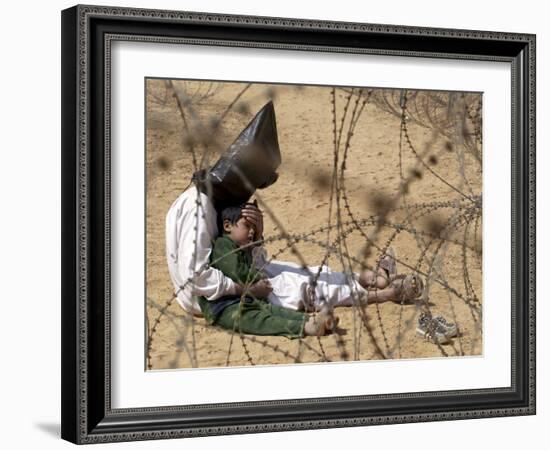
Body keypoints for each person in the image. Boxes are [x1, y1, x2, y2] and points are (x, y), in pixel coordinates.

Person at [165, 101, 422, 320]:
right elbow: (196, 276)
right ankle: (383, 294)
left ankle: (368, 278)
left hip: (230, 276)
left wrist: (257, 235)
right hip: (206, 298)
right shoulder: (197, 210)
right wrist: (246, 288)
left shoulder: (213, 200)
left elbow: (246, 260)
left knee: (291, 270)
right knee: (292, 286)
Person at [197, 205, 336, 338]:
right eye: (247, 226)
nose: (252, 231)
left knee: (272, 311)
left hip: (243, 299)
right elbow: (236, 272)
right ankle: (306, 327)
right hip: (223, 308)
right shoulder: (223, 245)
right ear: (227, 226)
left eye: (253, 227)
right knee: (261, 321)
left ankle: (312, 320)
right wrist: (257, 278)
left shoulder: (240, 247)